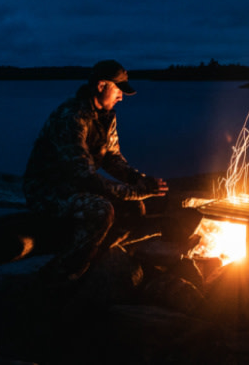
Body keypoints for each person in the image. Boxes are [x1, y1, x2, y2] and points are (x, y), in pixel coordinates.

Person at [23, 59, 168, 282]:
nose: (121, 97)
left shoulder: (106, 116)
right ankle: (63, 273)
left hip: (76, 187)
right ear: (102, 86)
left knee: (134, 208)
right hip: (49, 191)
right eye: (118, 90)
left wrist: (139, 179)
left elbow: (112, 157)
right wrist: (136, 191)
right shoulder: (71, 118)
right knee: (101, 210)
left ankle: (95, 257)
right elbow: (85, 178)